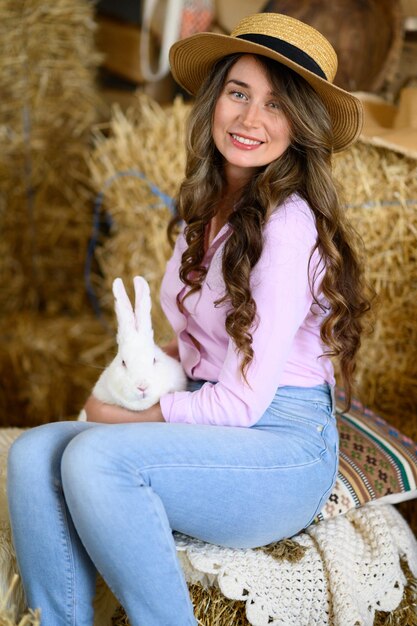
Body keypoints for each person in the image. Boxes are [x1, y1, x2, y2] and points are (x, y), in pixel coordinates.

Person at [7, 12, 371, 626]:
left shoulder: (288, 228)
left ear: (301, 128)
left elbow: (241, 406)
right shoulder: (209, 207)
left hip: (278, 447)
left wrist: (124, 416)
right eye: (239, 93)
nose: (251, 119)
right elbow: (193, 346)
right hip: (216, 421)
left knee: (94, 458)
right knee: (34, 455)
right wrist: (142, 377)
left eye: (277, 106)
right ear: (214, 101)